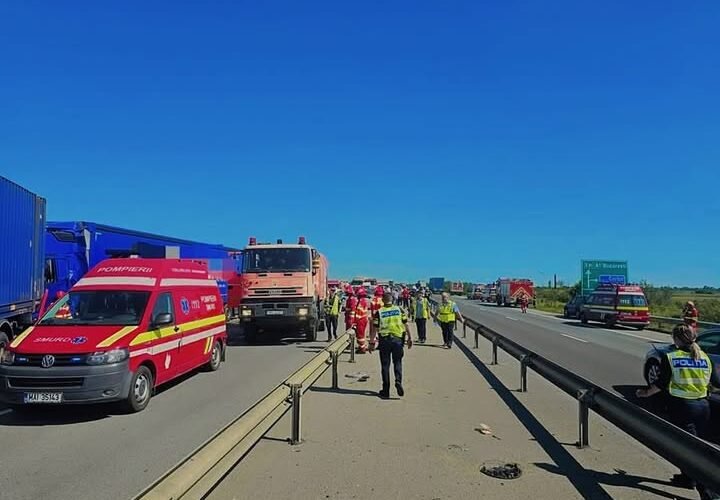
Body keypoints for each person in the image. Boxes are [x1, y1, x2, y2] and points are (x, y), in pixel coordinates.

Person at [636, 324, 719, 498]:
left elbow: (661, 384)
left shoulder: (671, 357)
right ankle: (687, 478)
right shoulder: (705, 357)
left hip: (682, 407)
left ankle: (708, 491)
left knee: (690, 451)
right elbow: (715, 382)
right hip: (703, 407)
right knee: (694, 446)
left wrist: (644, 393)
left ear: (676, 339)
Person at [372, 291, 412, 398]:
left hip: (385, 340)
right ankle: (398, 381)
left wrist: (372, 342)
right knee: (397, 362)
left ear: (383, 301)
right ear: (392, 300)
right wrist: (410, 338)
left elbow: (375, 328)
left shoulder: (379, 312)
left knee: (385, 365)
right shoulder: (399, 310)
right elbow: (406, 324)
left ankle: (386, 391)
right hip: (398, 340)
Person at [354, 287, 371, 353]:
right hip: (363, 319)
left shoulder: (361, 301)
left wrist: (355, 322)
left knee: (360, 335)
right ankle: (361, 346)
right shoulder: (364, 300)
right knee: (362, 334)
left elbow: (358, 313)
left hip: (360, 320)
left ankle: (362, 348)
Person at [368, 286, 385, 352]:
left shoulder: (373, 300)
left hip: (374, 318)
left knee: (373, 333)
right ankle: (380, 345)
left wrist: (372, 317)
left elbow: (371, 310)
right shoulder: (383, 301)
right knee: (381, 333)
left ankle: (372, 345)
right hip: (382, 319)